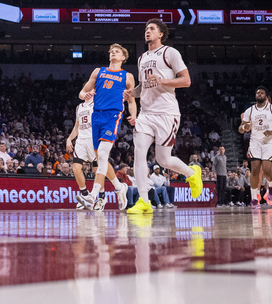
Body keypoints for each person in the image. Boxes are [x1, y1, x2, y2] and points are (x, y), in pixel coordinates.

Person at [126, 20, 200, 214]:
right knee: (139, 153)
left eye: (151, 29)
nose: (147, 32)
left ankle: (192, 173)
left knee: (163, 160)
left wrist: (162, 80)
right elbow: (144, 87)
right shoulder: (142, 58)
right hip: (146, 114)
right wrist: (131, 94)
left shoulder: (170, 53)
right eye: (146, 29)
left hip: (167, 112)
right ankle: (143, 201)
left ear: (161, 34)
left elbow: (186, 80)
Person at [78, 43, 136, 211]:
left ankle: (93, 195)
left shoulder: (128, 76)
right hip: (96, 116)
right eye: (111, 51)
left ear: (123, 57)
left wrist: (134, 116)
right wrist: (85, 95)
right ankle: (119, 187)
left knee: (103, 154)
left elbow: (131, 101)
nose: (113, 54)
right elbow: (82, 93)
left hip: (113, 115)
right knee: (101, 159)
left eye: (117, 52)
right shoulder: (98, 71)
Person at [65, 91, 125, 210]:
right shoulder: (79, 107)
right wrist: (69, 139)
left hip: (94, 138)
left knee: (98, 168)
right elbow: (77, 127)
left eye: (89, 90)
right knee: (76, 168)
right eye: (85, 91)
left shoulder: (98, 103)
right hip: (81, 140)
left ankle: (102, 197)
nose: (87, 93)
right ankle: (85, 195)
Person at [238, 86, 272, 208]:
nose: (259, 94)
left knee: (267, 168)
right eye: (257, 92)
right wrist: (245, 127)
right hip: (255, 142)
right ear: (255, 96)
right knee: (254, 170)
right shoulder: (249, 111)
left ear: (265, 96)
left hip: (269, 141)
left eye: (262, 93)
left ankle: (271, 186)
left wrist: (271, 132)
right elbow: (241, 129)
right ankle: (254, 198)